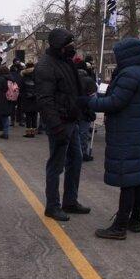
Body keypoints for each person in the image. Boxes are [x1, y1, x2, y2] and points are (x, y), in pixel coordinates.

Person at [87, 38, 140, 240]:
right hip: (134, 131)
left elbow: (115, 102)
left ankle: (120, 226)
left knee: (127, 180)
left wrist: (91, 101)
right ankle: (135, 220)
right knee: (136, 178)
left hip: (127, 132)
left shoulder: (130, 73)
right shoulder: (139, 71)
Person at [34, 28, 90, 221]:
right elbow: (45, 100)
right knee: (56, 165)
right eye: (68, 45)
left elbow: (76, 90)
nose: (72, 48)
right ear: (58, 46)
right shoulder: (45, 66)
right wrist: (55, 126)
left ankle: (70, 201)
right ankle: (52, 205)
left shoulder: (66, 63)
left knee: (76, 160)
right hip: (59, 123)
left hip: (71, 120)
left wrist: (85, 110)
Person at [0, 64, 14, 139]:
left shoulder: (0, 79)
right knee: (5, 117)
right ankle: (6, 133)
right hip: (9, 99)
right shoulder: (11, 79)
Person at [19, 62, 39, 138]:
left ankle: (28, 132)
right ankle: (33, 131)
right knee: (34, 114)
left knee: (28, 115)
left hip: (26, 98)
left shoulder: (23, 76)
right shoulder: (37, 76)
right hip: (36, 98)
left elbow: (20, 88)